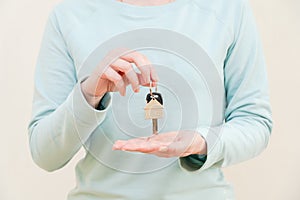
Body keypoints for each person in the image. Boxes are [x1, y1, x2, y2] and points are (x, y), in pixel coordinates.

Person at [28, 0, 273, 199]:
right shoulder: (68, 15)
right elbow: (45, 153)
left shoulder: (229, 8)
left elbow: (255, 122)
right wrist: (89, 94)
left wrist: (201, 142)